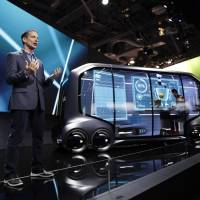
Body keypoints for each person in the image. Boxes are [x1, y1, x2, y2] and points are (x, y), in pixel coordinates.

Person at [3, 29, 62, 187]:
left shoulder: (40, 62)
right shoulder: (13, 56)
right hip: (21, 102)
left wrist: (51, 79)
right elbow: (9, 78)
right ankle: (10, 175)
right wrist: (26, 72)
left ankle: (36, 169)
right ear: (24, 39)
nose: (36, 40)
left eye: (38, 37)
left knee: (38, 138)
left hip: (38, 104)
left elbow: (41, 85)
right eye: (33, 37)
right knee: (16, 138)